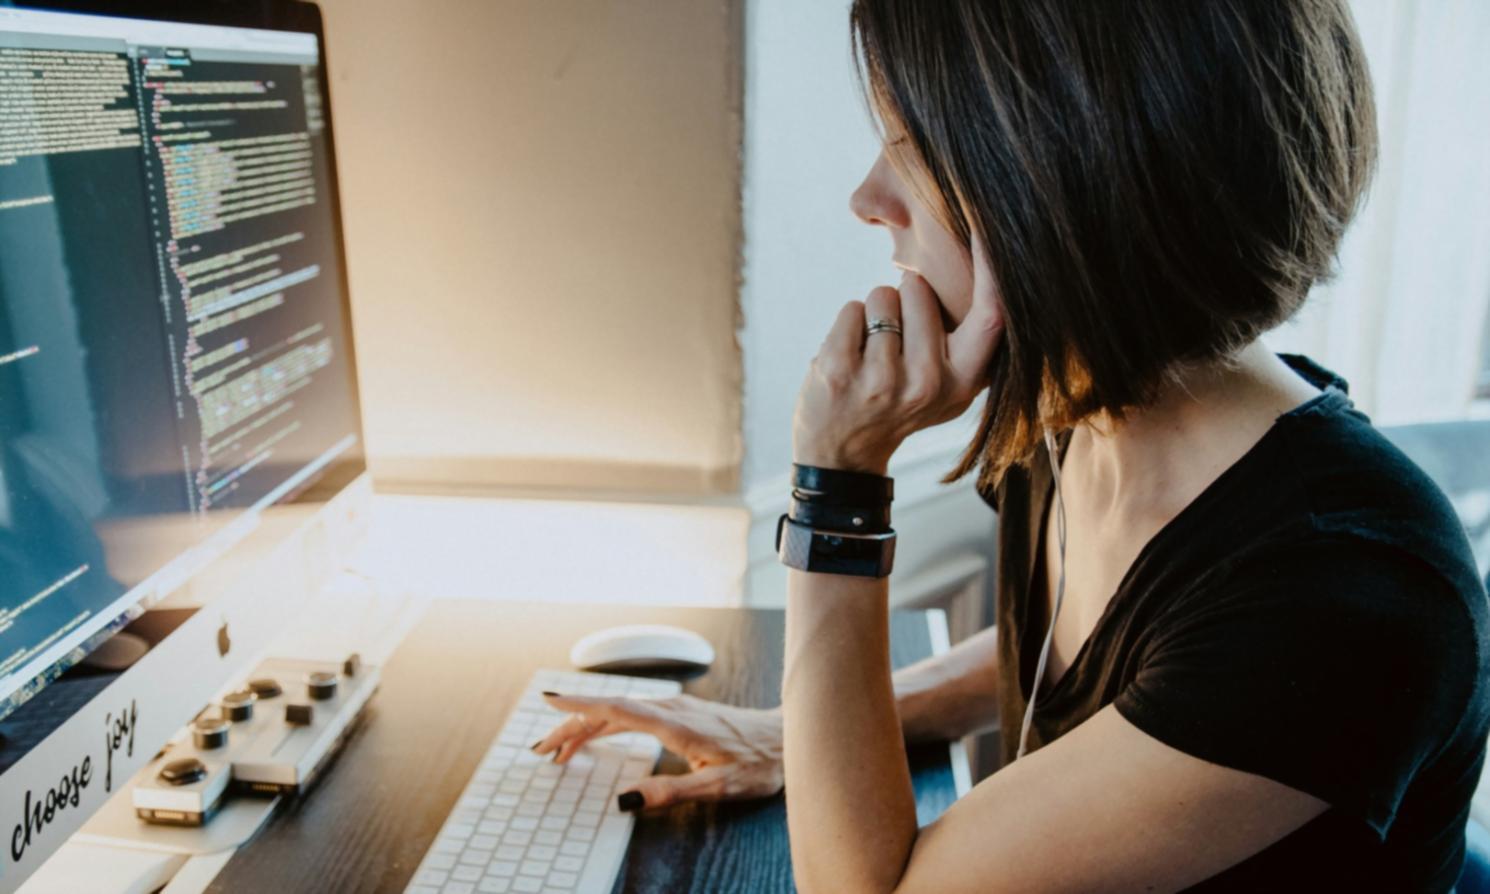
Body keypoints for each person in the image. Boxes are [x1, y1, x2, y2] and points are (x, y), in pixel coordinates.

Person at [535, 1, 1490, 890]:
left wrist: (837, 481)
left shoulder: (1342, 598)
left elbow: (866, 889)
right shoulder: (1079, 415)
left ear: (1072, 184)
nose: (870, 197)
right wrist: (788, 737)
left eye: (915, 151)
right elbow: (1143, 667)